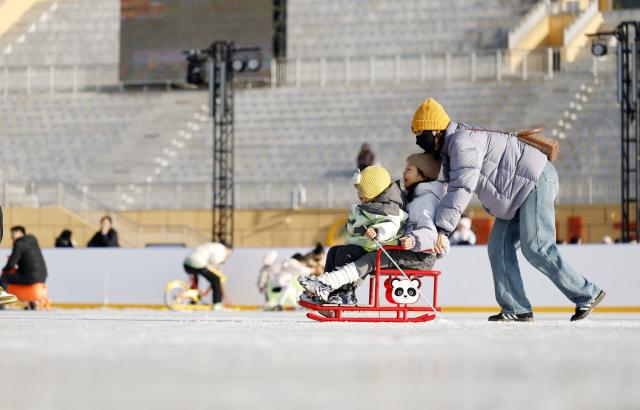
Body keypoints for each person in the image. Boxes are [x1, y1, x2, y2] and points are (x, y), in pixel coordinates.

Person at [411, 97, 605, 322]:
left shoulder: (462, 143)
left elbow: (462, 187)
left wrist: (442, 229)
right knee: (498, 247)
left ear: (435, 129)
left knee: (537, 246)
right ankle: (516, 307)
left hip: (535, 180)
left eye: (420, 134)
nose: (418, 140)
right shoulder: (450, 148)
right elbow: (450, 186)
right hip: (516, 192)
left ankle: (587, 293)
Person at [300, 161, 447, 304]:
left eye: (409, 169)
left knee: (347, 254)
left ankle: (344, 293)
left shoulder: (421, 201)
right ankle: (327, 291)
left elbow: (394, 225)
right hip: (381, 247)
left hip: (408, 252)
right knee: (334, 251)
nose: (403, 172)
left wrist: (384, 233)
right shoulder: (404, 198)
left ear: (422, 175)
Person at [0, 227, 48, 304]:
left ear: (20, 233)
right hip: (43, 276)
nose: (12, 238)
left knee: (4, 277)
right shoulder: (33, 242)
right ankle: (32, 303)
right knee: (21, 274)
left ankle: (1, 304)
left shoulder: (19, 243)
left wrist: (4, 270)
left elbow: (11, 264)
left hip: (30, 276)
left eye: (13, 236)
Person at [183, 241, 232, 310]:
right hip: (197, 263)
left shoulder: (211, 245)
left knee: (195, 282)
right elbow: (215, 260)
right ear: (228, 249)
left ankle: (193, 302)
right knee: (216, 279)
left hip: (187, 263)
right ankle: (217, 304)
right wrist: (218, 266)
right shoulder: (222, 248)